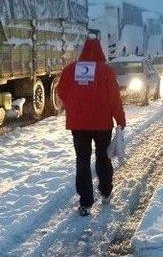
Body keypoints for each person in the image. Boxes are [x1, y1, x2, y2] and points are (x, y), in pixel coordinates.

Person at [57, 37, 126, 216]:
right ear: (100, 51)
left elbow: (61, 90)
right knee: (103, 157)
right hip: (102, 123)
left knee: (82, 161)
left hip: (78, 124)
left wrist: (73, 105)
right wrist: (120, 119)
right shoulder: (105, 71)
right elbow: (114, 98)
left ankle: (86, 203)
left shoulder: (70, 69)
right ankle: (105, 192)